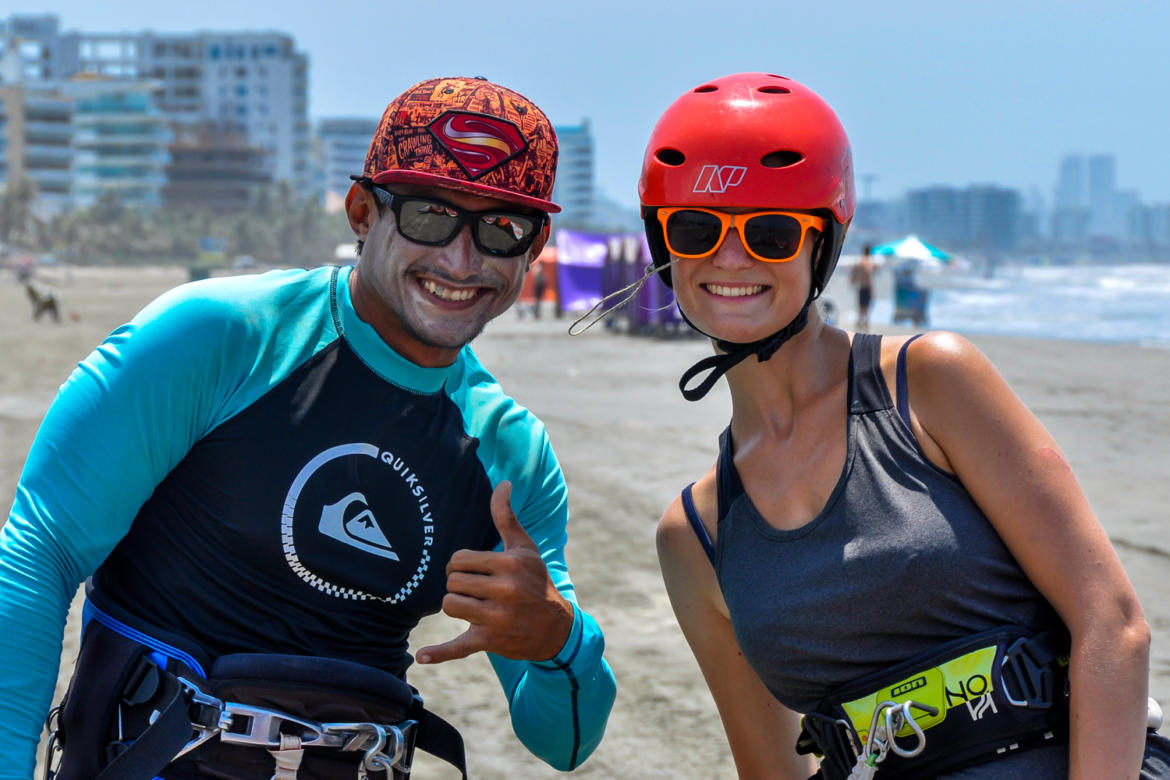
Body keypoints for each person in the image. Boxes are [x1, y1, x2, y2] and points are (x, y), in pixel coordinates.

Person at [0, 76, 616, 779]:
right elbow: (38, 554)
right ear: (362, 212)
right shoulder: (220, 337)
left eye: (502, 228)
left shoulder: (509, 455)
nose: (460, 259)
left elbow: (561, 742)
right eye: (428, 216)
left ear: (534, 249)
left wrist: (560, 642)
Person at [642, 72, 1169, 778]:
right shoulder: (695, 537)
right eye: (698, 229)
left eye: (769, 233)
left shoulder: (931, 383)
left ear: (820, 244)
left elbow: (1114, 625)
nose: (730, 258)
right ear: (663, 243)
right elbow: (769, 772)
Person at [849, 244, 876, 331]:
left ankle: (856, 329)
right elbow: (868, 275)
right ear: (870, 252)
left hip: (860, 287)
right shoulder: (868, 262)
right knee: (867, 311)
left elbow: (853, 274)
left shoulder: (859, 261)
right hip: (867, 288)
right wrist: (872, 289)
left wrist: (853, 282)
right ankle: (866, 331)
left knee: (860, 311)